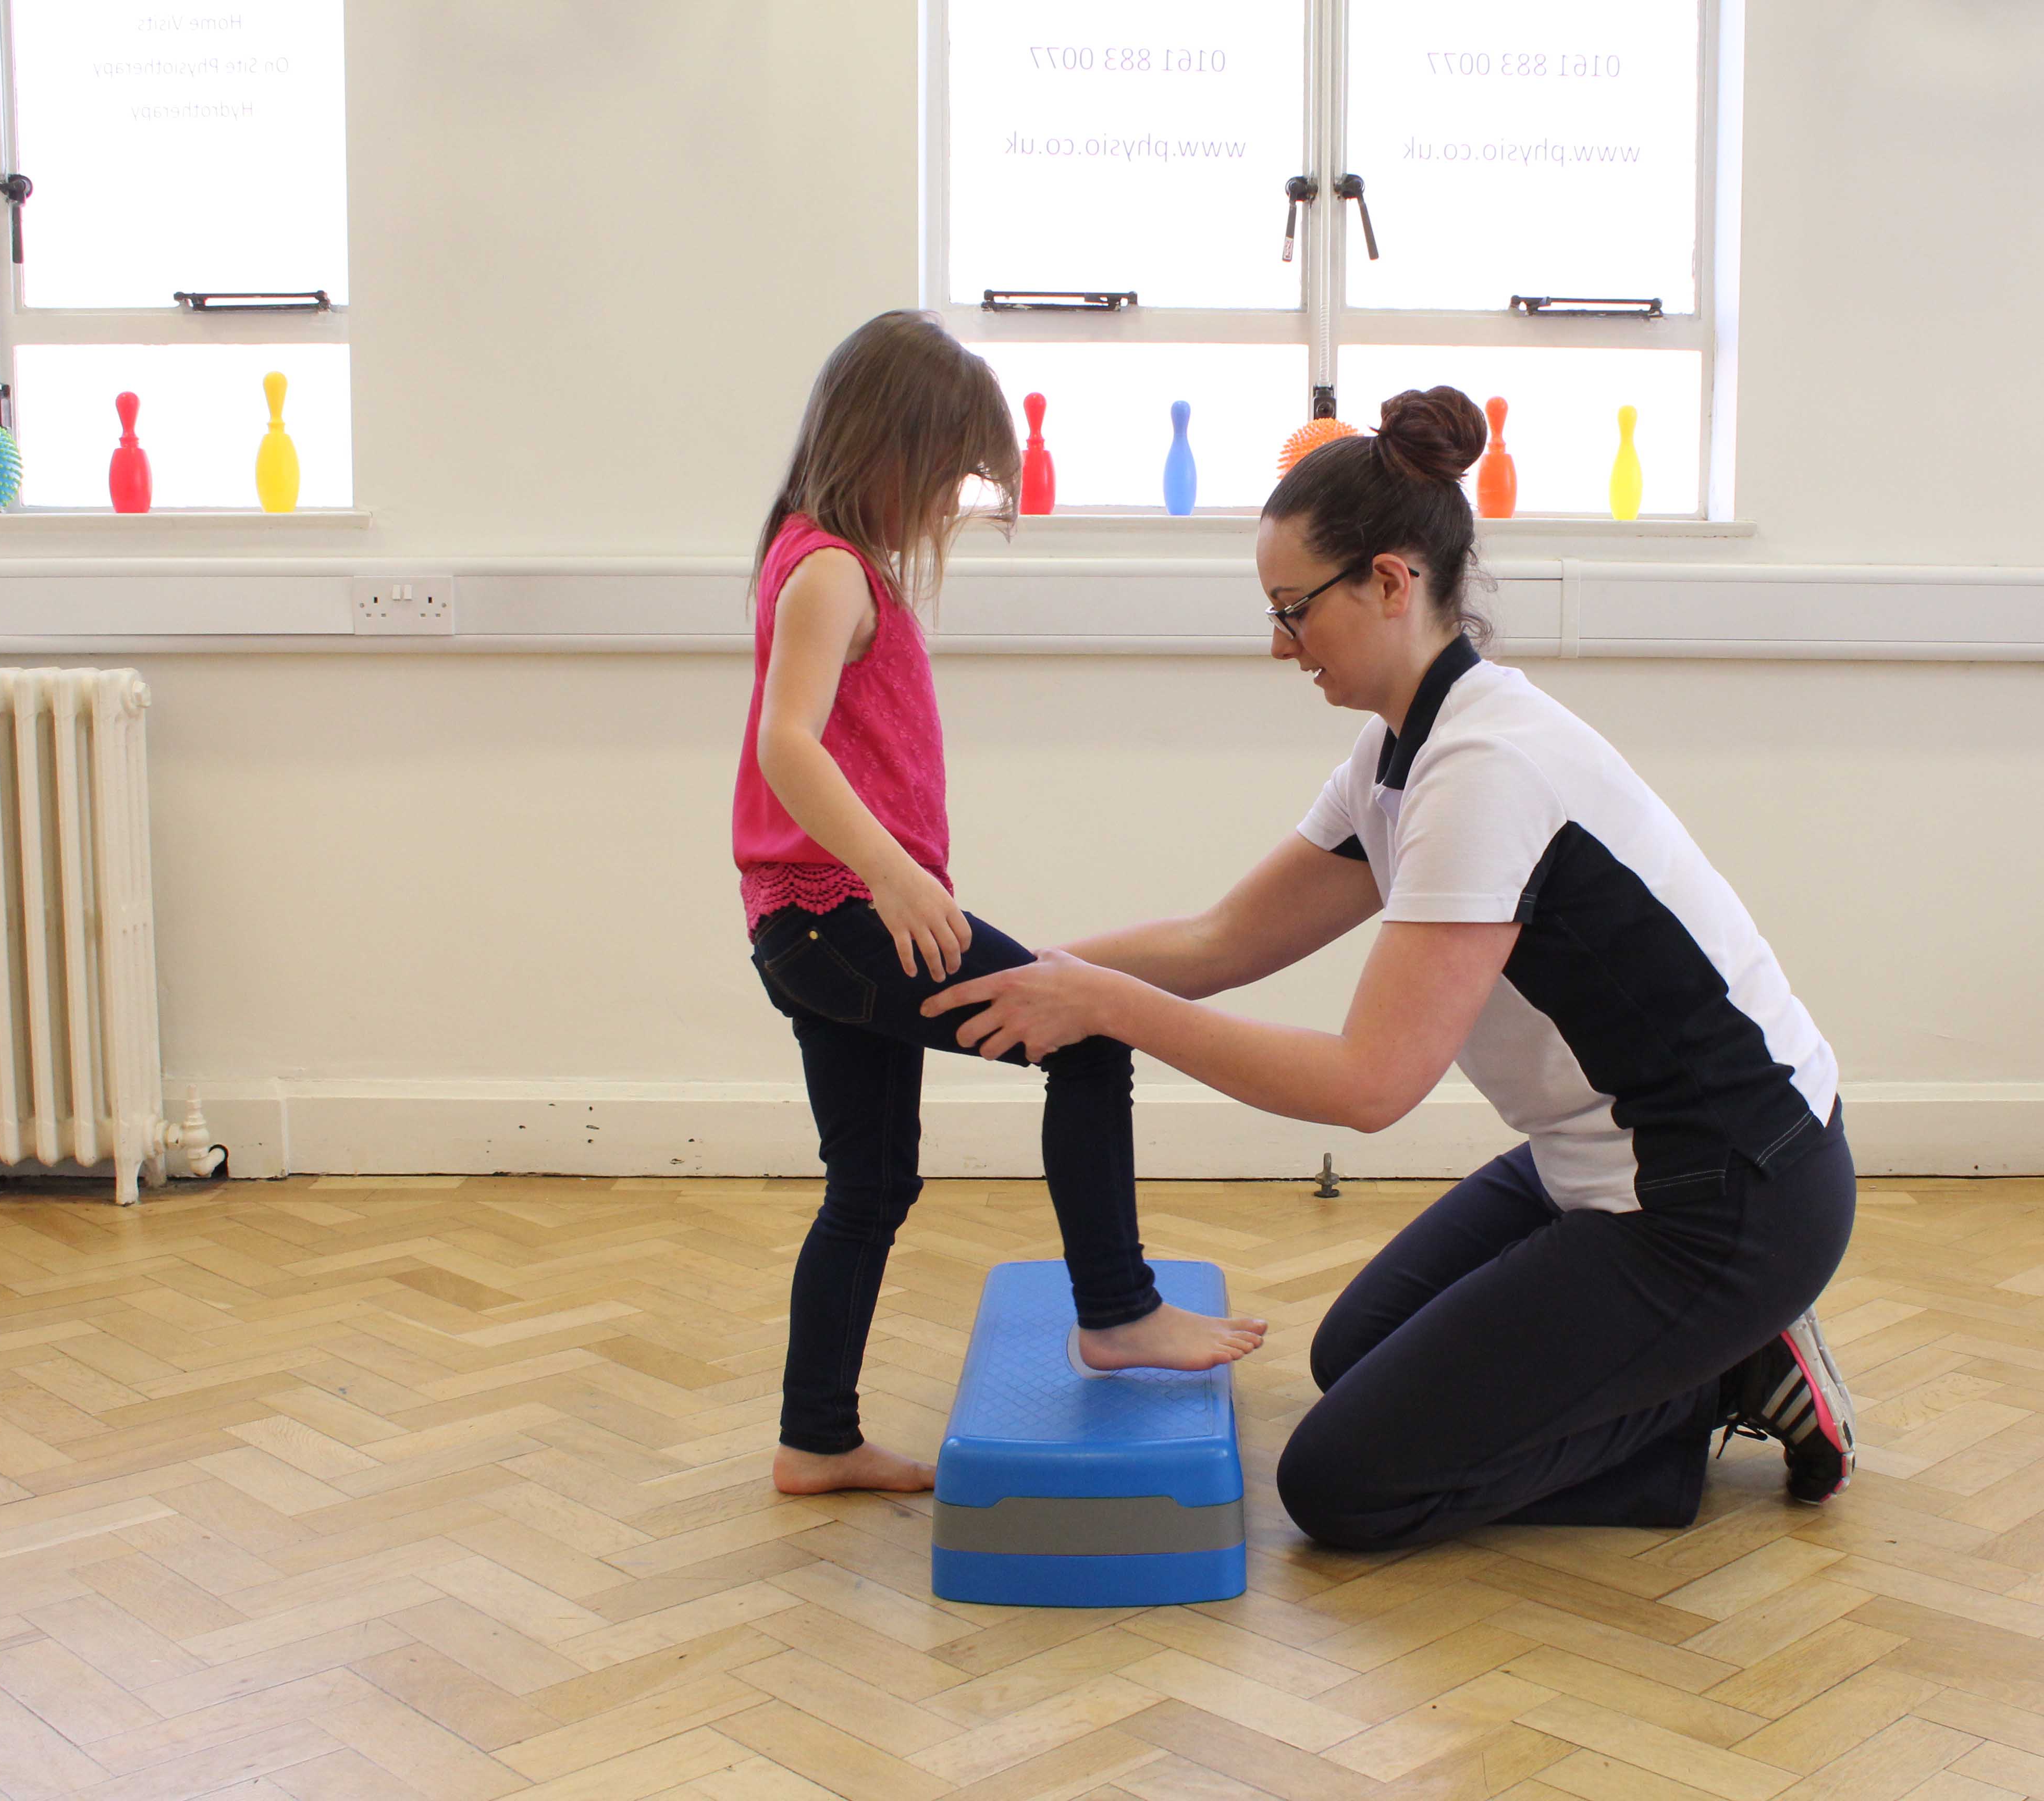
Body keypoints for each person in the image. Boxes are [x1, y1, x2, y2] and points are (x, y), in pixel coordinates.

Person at [925, 386, 1858, 1550]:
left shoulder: (1489, 770)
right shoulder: (1401, 749)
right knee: (1348, 1357)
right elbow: (1224, 941)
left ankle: (1717, 1382)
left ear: (1390, 582)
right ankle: (1694, 1358)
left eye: (1293, 610)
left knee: (1345, 1487)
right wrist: (997, 977)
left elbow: (1369, 1088)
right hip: (1604, 1162)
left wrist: (1107, 1006)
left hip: (1729, 1200)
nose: (1278, 645)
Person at [738, 312, 1265, 1500]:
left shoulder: (816, 552)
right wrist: (889, 868)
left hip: (812, 927)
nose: (951, 503)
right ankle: (1119, 1313)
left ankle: (813, 1438)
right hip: (837, 914)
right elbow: (787, 746)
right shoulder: (827, 566)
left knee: (869, 1187)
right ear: (889, 447)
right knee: (1088, 1023)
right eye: (948, 474)